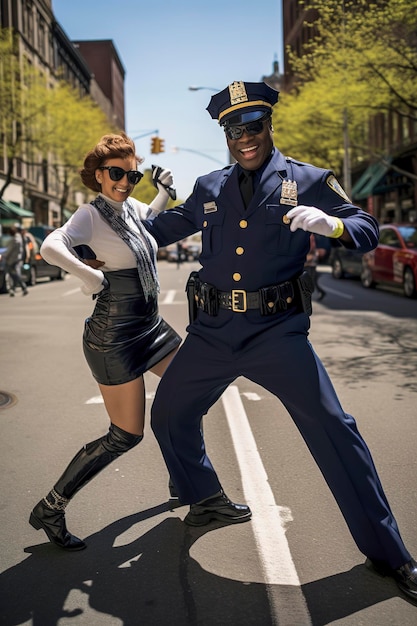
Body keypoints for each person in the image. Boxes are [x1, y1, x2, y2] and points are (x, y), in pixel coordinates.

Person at [143, 82, 417, 601]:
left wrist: (331, 223)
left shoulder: (309, 180)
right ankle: (205, 497)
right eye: (232, 130)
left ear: (269, 126)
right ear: (224, 134)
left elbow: (367, 228)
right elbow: (157, 232)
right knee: (170, 413)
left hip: (277, 332)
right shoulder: (208, 186)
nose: (243, 138)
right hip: (213, 331)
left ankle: (391, 555)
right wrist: (102, 227)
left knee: (337, 429)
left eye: (252, 127)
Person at [29, 132, 181, 551]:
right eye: (117, 174)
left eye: (132, 175)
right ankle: (51, 507)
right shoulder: (89, 214)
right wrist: (88, 275)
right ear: (98, 175)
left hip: (150, 325)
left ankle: (185, 477)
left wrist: (164, 194)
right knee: (126, 435)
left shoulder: (131, 206)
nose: (125, 182)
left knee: (191, 388)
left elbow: (143, 223)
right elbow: (49, 245)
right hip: (112, 335)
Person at [4, 224, 28, 296]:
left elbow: (9, 251)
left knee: (14, 274)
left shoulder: (15, 239)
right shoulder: (19, 237)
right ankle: (14, 290)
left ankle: (22, 287)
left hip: (13, 260)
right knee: (15, 274)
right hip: (17, 259)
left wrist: (4, 256)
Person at [304, 233, 326, 301]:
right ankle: (321, 292)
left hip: (310, 263)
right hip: (309, 262)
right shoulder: (310, 236)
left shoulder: (310, 236)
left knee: (309, 281)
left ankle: (306, 298)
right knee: (312, 281)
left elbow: (312, 248)